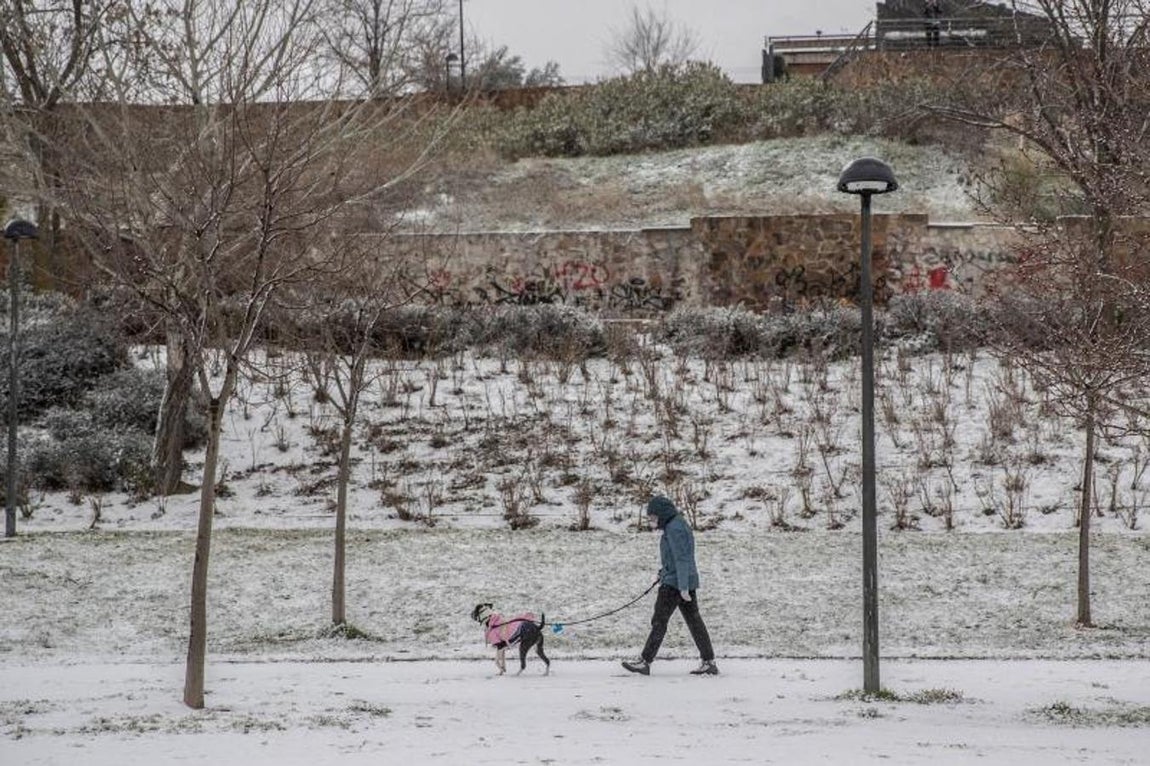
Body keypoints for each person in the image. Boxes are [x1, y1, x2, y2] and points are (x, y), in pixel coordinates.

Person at [622, 495, 718, 676]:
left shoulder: (675, 529)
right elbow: (675, 558)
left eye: (653, 518)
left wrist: (682, 587)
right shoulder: (675, 525)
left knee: (659, 621)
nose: (651, 522)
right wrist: (664, 571)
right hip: (681, 580)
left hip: (675, 584)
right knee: (694, 622)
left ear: (662, 514)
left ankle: (645, 661)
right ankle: (709, 661)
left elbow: (682, 559)